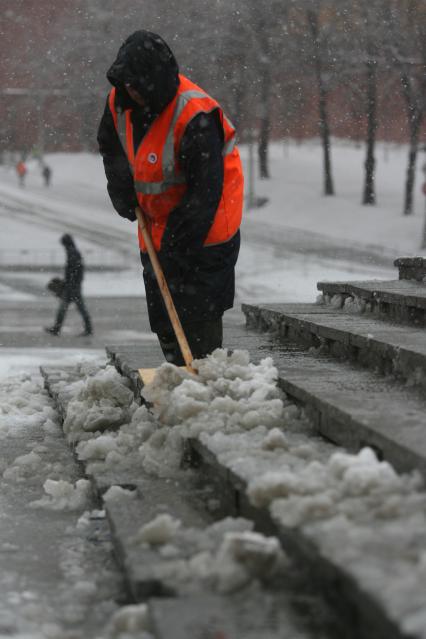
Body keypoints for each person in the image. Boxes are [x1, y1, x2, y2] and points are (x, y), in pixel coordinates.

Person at [97, 30, 244, 364]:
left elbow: (204, 193)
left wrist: (176, 249)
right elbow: (111, 145)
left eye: (136, 84)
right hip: (157, 223)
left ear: (154, 79)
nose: (130, 91)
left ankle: (204, 373)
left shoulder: (195, 116)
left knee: (198, 310)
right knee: (163, 311)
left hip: (209, 228)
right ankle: (176, 369)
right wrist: (121, 188)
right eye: (127, 84)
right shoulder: (120, 101)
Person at [44, 234, 93, 337]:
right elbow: (75, 270)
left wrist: (69, 283)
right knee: (71, 308)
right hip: (73, 285)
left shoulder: (72, 253)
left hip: (72, 286)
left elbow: (74, 270)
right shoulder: (73, 251)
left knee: (72, 308)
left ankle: (58, 329)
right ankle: (87, 328)